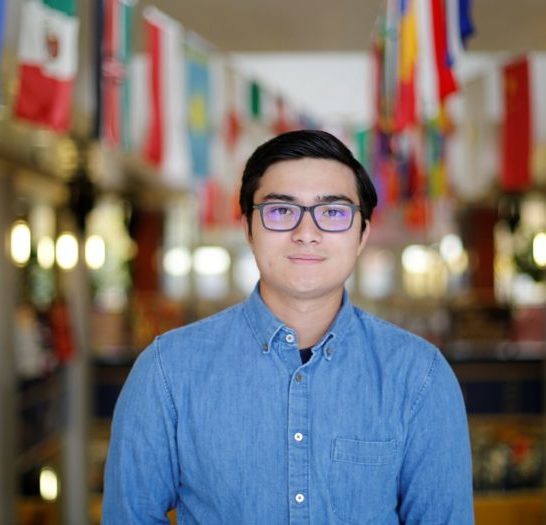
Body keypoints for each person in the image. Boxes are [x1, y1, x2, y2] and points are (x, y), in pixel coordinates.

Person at [102, 130, 474, 524]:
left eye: (333, 212)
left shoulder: (419, 376)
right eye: (281, 211)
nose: (306, 233)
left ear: (362, 233)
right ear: (248, 228)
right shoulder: (167, 371)